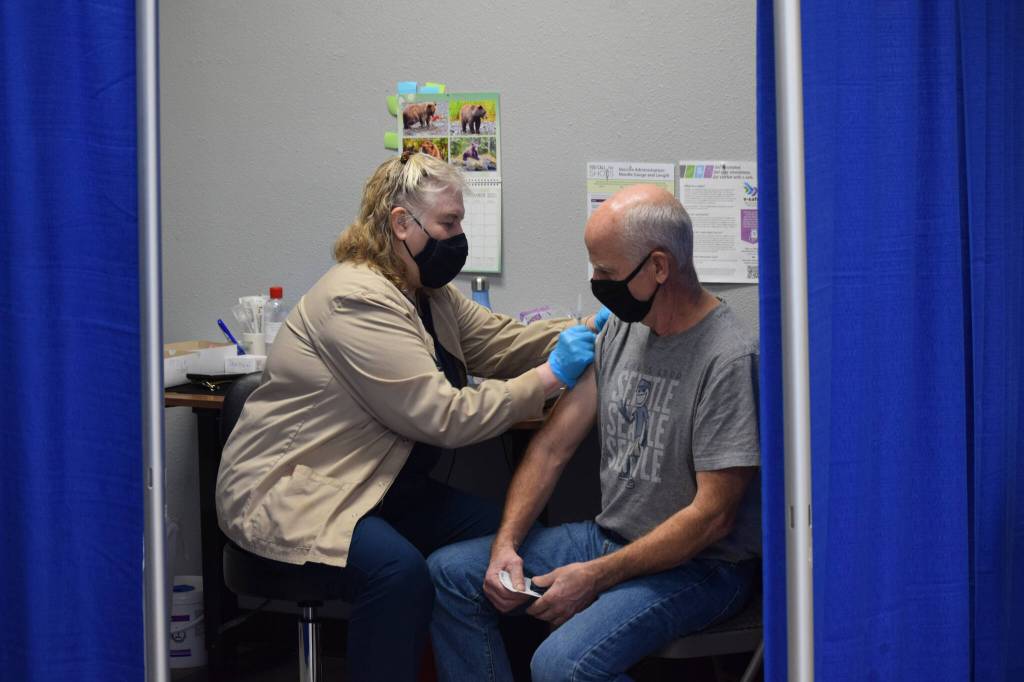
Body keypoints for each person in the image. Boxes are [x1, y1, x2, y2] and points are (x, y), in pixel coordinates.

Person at [215, 152, 600, 682]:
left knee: (510, 543)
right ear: (401, 224)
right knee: (399, 575)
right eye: (449, 223)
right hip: (301, 492)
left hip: (377, 484)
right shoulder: (356, 299)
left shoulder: (425, 292)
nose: (459, 236)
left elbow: (501, 341)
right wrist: (551, 377)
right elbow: (444, 416)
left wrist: (591, 326)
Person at [428, 184, 761, 682]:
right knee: (451, 573)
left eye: (606, 272)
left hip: (702, 566)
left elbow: (712, 518)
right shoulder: (622, 327)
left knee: (560, 665)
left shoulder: (728, 358)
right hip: (610, 539)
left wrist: (594, 577)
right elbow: (551, 447)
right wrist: (505, 546)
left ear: (659, 267)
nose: (597, 284)